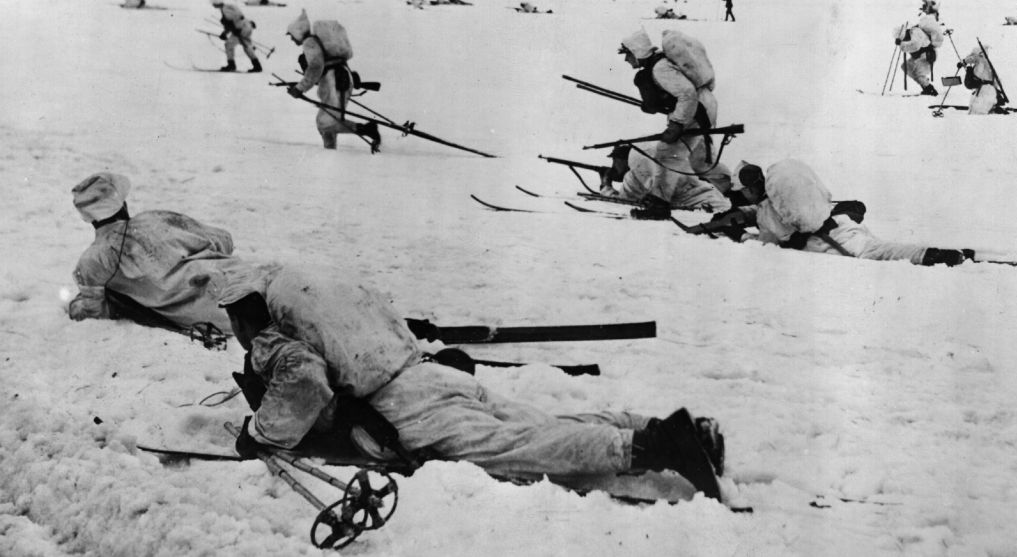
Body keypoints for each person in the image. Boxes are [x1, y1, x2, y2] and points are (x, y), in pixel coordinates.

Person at [191, 260, 726, 499]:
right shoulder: (316, 292)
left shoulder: (270, 337)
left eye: (231, 319)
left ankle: (658, 445)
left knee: (520, 449)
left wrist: (260, 435)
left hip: (407, 407)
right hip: (431, 373)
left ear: (242, 311)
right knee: (535, 424)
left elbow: (305, 384)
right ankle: (662, 428)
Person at [687, 159, 971, 266]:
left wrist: (740, 236)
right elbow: (762, 208)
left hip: (831, 242)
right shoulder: (775, 193)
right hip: (839, 221)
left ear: (751, 188)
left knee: (878, 252)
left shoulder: (772, 210)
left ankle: (936, 256)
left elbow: (770, 241)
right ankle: (942, 252)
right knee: (879, 246)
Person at [67, 172, 239, 336]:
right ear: (123, 204)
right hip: (241, 283)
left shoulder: (92, 260)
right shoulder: (157, 218)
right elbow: (224, 240)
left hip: (222, 319)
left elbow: (90, 311)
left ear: (88, 218)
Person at [618, 28, 734, 220]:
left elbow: (687, 93)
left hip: (697, 110)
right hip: (702, 108)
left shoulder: (659, 69)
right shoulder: (658, 66)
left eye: (628, 54)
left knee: (668, 153)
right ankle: (727, 190)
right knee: (694, 157)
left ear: (637, 51)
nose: (626, 59)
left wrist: (677, 124)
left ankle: (658, 205)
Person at [285, 9, 381, 151]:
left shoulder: (309, 42)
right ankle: (329, 152)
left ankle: (367, 129)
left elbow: (316, 67)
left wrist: (300, 88)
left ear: (298, 32)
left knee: (326, 122)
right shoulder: (314, 42)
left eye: (292, 36)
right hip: (335, 79)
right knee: (326, 122)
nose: (292, 40)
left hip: (335, 81)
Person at [601, 144, 730, 212]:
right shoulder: (665, 160)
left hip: (700, 209)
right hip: (714, 199)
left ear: (622, 159)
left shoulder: (634, 174)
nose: (614, 166)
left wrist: (606, 185)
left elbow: (622, 202)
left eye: (615, 160)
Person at [210, 0, 263, 73]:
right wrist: (226, 31)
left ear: (216, 4)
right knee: (247, 46)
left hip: (241, 29)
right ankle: (257, 66)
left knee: (229, 45)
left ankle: (231, 65)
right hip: (247, 26)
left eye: (213, 4)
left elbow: (233, 21)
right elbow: (237, 18)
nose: (213, 5)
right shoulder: (228, 7)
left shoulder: (225, 10)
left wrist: (227, 32)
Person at [957, 43, 1008, 115]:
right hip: (988, 83)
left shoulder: (979, 57)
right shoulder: (987, 62)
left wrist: (963, 62)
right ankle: (996, 102)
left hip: (981, 82)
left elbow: (971, 58)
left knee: (969, 82)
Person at [893, 22, 939, 96]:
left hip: (927, 55)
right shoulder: (910, 34)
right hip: (919, 56)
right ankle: (925, 85)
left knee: (918, 74)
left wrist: (902, 44)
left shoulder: (915, 32)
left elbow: (915, 46)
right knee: (905, 66)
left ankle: (930, 90)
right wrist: (902, 44)